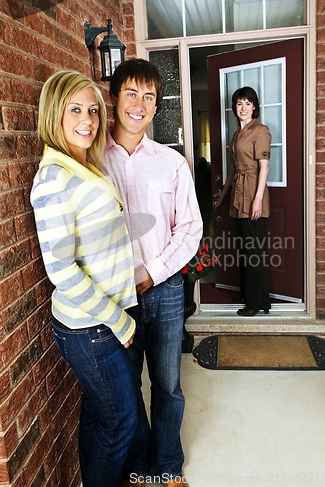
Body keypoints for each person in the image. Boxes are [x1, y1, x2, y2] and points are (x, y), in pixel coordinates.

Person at [30, 70, 138, 487]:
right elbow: (60, 271)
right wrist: (118, 319)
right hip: (91, 325)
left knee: (99, 417)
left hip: (105, 317)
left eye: (93, 110)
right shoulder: (53, 179)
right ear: (54, 112)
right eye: (75, 109)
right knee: (121, 424)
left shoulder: (81, 166)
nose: (88, 120)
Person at [104, 58, 203, 487]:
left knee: (167, 387)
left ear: (155, 105)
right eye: (131, 93)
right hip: (112, 295)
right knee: (126, 391)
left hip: (163, 291)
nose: (140, 105)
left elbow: (190, 229)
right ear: (114, 97)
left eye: (149, 97)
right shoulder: (91, 160)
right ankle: (139, 466)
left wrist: (153, 272)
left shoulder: (172, 163)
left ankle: (167, 466)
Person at [213, 86, 271, 316]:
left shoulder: (261, 131)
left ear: (254, 106)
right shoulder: (237, 134)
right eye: (239, 103)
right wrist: (224, 194)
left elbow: (264, 167)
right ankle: (250, 295)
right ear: (235, 107)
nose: (243, 108)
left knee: (253, 250)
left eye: (248, 103)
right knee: (244, 250)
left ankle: (257, 304)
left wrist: (257, 200)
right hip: (238, 194)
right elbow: (232, 171)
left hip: (253, 193)